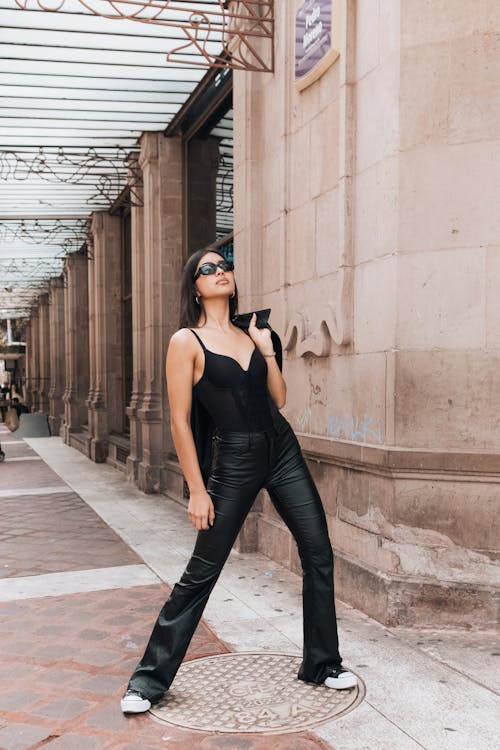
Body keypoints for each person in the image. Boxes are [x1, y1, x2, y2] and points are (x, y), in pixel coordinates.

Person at [121, 247, 358, 714]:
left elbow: (281, 398)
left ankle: (323, 663)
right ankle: (147, 682)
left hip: (282, 449)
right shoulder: (186, 341)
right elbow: (180, 421)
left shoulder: (253, 332)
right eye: (208, 268)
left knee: (318, 551)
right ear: (195, 285)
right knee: (202, 571)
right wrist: (195, 488)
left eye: (224, 265)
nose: (220, 272)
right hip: (234, 458)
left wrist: (267, 350)